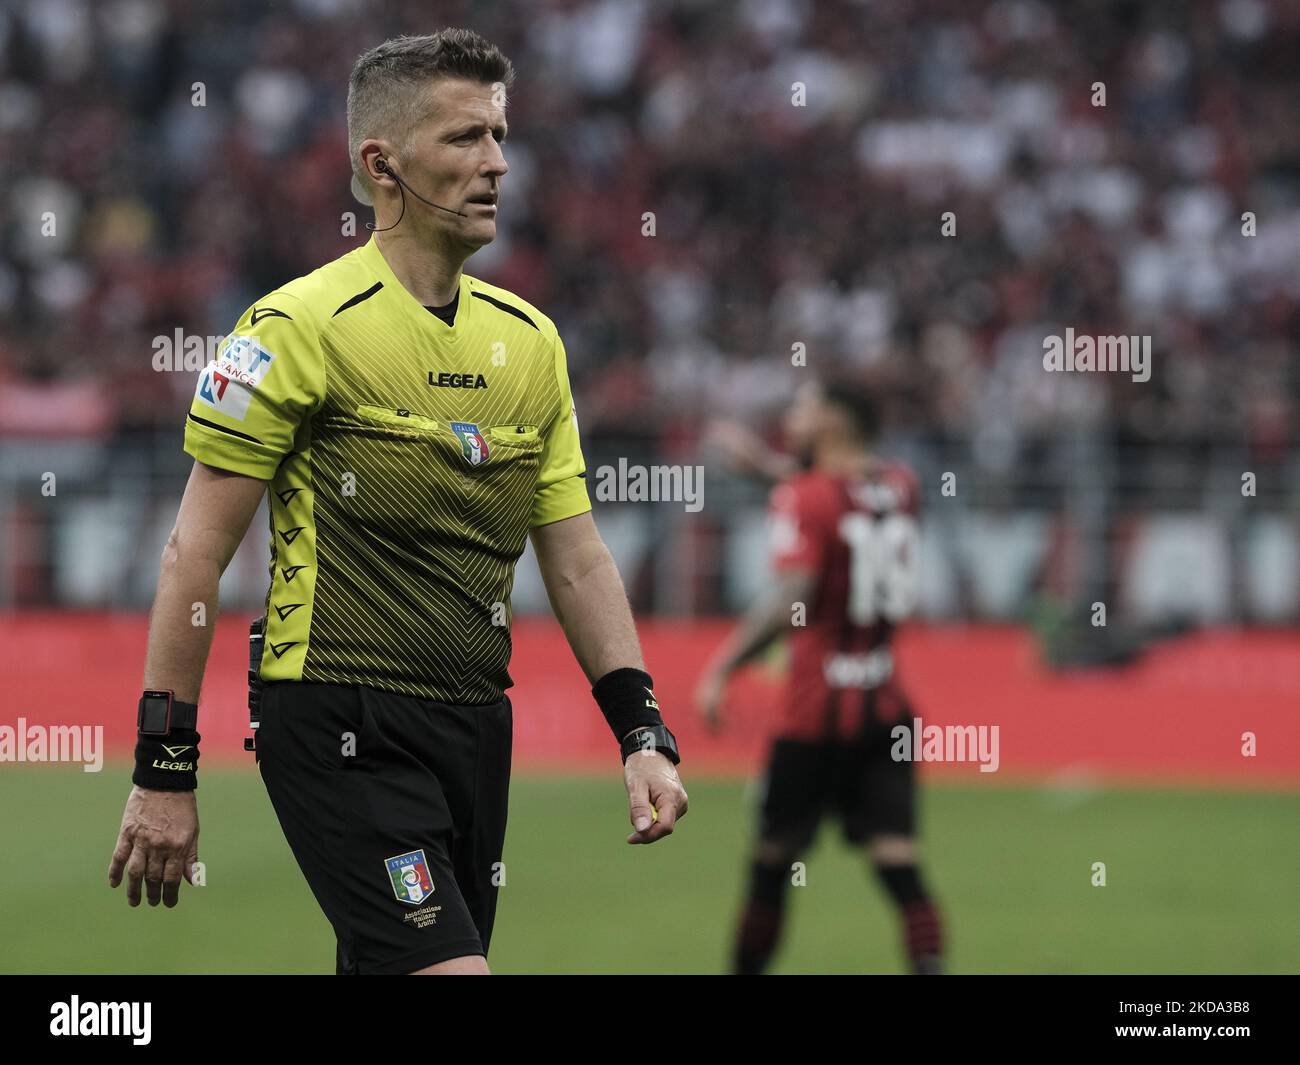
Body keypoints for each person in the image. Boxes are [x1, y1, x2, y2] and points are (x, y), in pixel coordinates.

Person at [108, 28, 687, 976]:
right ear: (382, 164)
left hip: (473, 723)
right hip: (338, 716)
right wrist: (164, 766)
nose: (497, 162)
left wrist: (642, 733)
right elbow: (194, 556)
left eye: (500, 135)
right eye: (464, 139)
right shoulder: (294, 327)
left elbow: (576, 556)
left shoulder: (532, 342)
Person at [696, 376, 943, 974]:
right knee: (898, 863)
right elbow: (840, 497)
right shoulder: (902, 486)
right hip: (884, 706)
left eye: (805, 408)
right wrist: (768, 471)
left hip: (811, 713)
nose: (793, 417)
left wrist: (723, 666)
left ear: (834, 421)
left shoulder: (805, 496)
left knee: (772, 863)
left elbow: (792, 593)